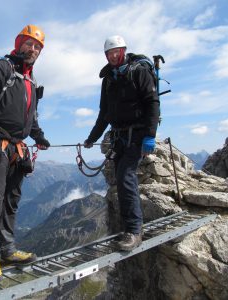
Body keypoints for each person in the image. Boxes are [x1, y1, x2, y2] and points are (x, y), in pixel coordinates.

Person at [0, 24, 50, 283]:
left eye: (38, 46)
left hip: (15, 146)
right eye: (29, 43)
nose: (34, 49)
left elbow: (30, 115)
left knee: (12, 200)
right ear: (19, 43)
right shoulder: (1, 68)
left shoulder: (29, 80)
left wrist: (38, 137)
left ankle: (7, 250)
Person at [84, 35, 160, 251]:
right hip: (119, 137)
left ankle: (134, 231)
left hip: (137, 135)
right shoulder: (108, 79)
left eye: (117, 51)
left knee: (125, 177)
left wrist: (150, 135)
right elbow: (104, 113)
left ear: (124, 51)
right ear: (106, 55)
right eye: (109, 53)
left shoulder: (139, 71)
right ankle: (131, 227)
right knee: (122, 178)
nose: (113, 55)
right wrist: (92, 138)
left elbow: (152, 103)